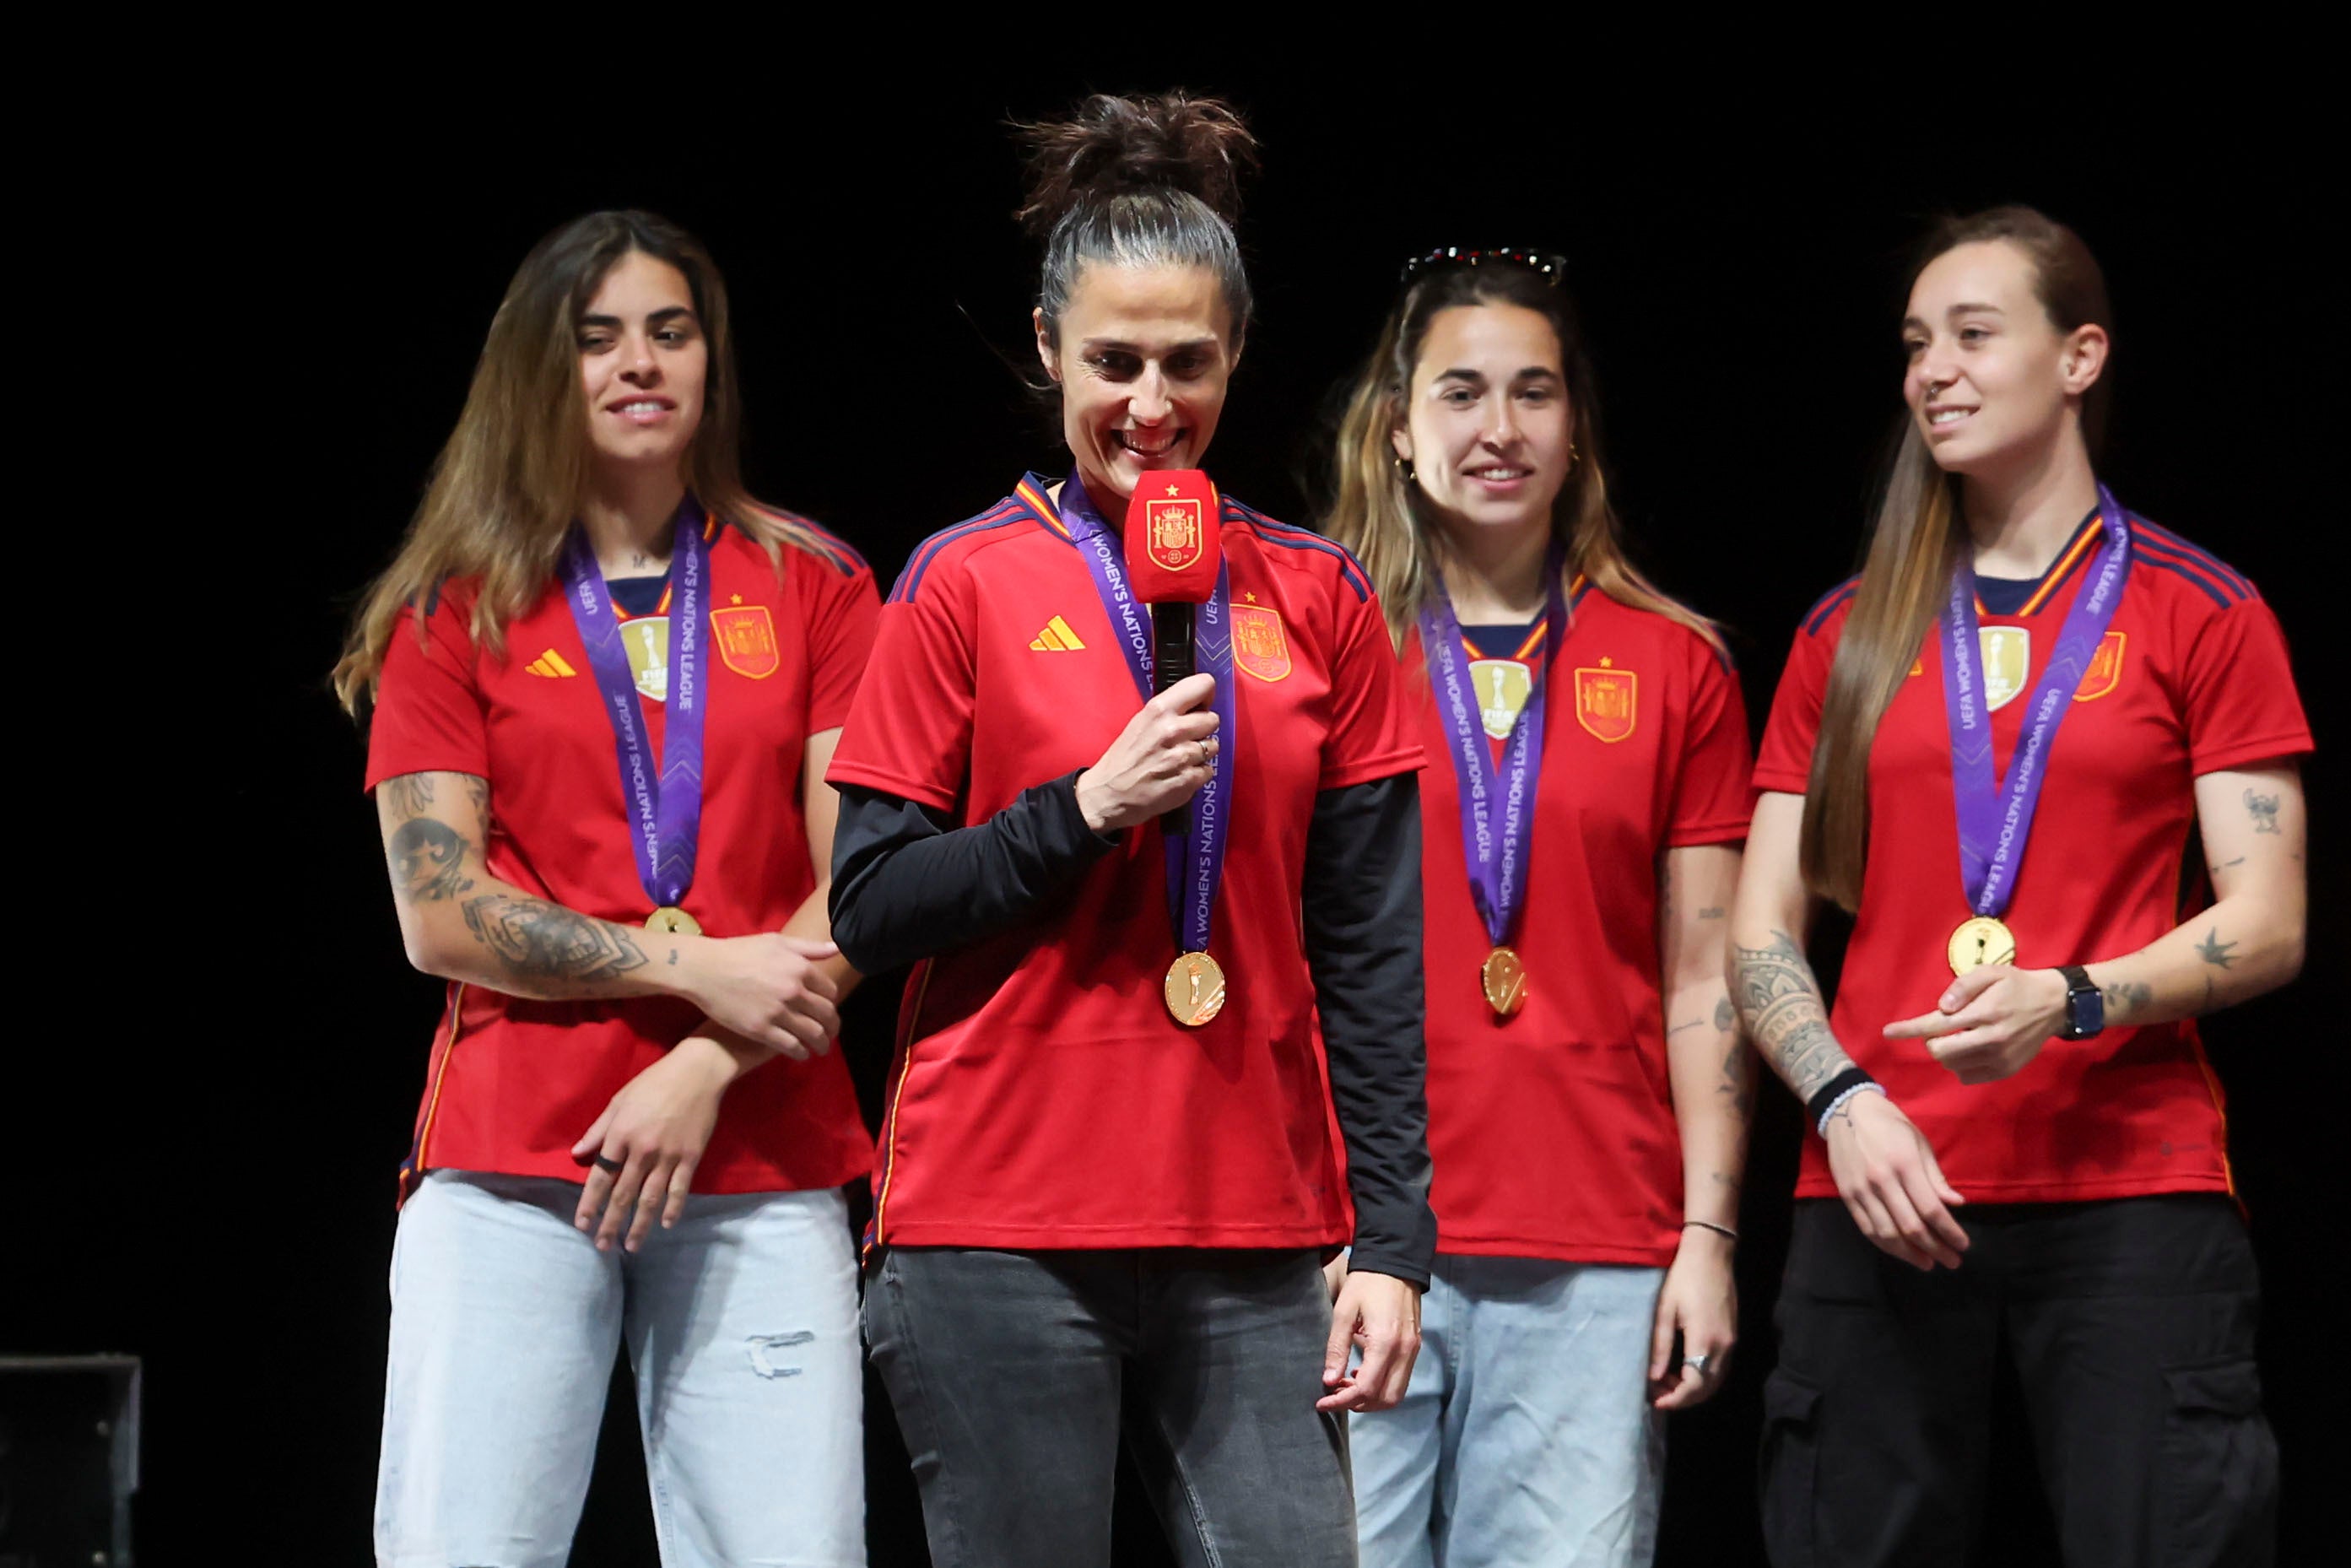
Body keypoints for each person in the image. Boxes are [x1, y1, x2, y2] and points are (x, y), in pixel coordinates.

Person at [824, 92, 1435, 1568]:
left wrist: (1396, 1242)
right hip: (998, 1223)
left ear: (1234, 356)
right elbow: (872, 903)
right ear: (1046, 353)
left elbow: (1369, 950)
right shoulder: (958, 581)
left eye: (1187, 363)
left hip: (1254, 1226)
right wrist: (1082, 812)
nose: (1149, 405)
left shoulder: (1321, 596)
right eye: (1112, 362)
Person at [1732, 206, 2306, 1567]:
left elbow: (2269, 917)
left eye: (1973, 334)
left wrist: (2072, 997)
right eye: (1915, 342)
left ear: (2079, 357)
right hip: (1878, 1183)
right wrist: (1840, 1098)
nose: (1931, 367)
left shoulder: (2200, 612)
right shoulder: (1843, 630)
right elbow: (1759, 931)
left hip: (2129, 1189)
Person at [333, 209, 876, 1568]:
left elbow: (861, 880)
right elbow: (438, 911)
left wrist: (701, 1063)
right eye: (598, 338)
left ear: (711, 362)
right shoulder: (454, 609)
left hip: (760, 1145)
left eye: (669, 330)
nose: (640, 363)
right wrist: (693, 966)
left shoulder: (813, 585)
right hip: (518, 1158)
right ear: (542, 368)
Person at [1321, 249, 1754, 1567]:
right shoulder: (1320, 645)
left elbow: (1702, 981)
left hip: (1597, 1249)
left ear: (1576, 432)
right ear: (1398, 428)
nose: (1497, 429)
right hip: (1354, 1238)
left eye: (1532, 394)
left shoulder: (1675, 664)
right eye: (1458, 393)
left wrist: (1708, 1236)